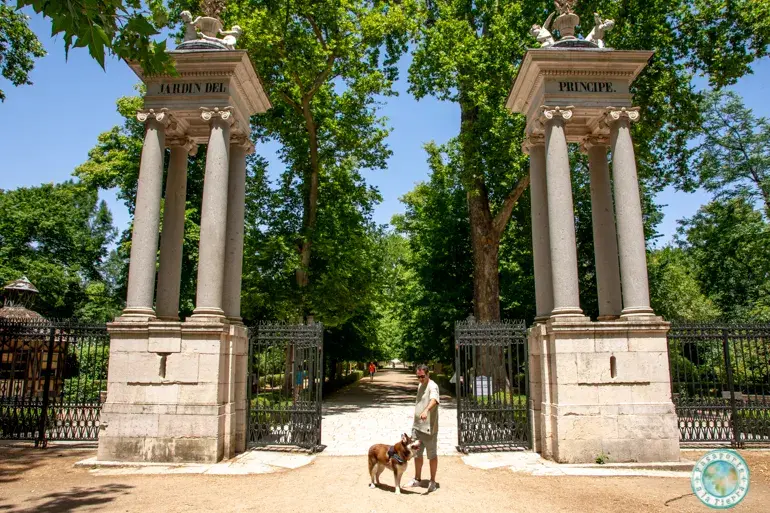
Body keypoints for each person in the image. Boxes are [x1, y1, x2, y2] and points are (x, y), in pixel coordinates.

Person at [407, 364, 440, 492]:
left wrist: (426, 410)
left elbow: (434, 400)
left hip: (429, 429)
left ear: (428, 374)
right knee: (417, 454)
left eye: (422, 376)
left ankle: (432, 481)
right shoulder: (420, 385)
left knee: (432, 455)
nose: (420, 379)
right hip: (417, 427)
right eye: (418, 376)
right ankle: (417, 479)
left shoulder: (433, 386)